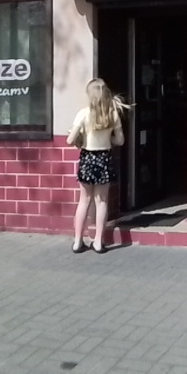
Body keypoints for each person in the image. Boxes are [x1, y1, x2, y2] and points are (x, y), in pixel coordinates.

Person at [66, 78, 129, 254]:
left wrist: (79, 136)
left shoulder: (83, 114)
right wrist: (108, 138)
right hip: (105, 158)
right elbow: (120, 140)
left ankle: (77, 241)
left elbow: (70, 140)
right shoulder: (112, 115)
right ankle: (98, 242)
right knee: (102, 202)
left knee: (84, 200)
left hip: (87, 157)